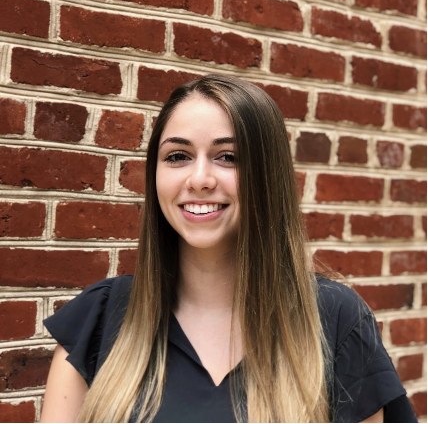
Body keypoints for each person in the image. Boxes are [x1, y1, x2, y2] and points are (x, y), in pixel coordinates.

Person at [40, 74, 418, 423]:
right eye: (177, 156)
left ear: (267, 176)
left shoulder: (334, 320)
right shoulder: (99, 320)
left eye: (228, 157)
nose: (200, 179)